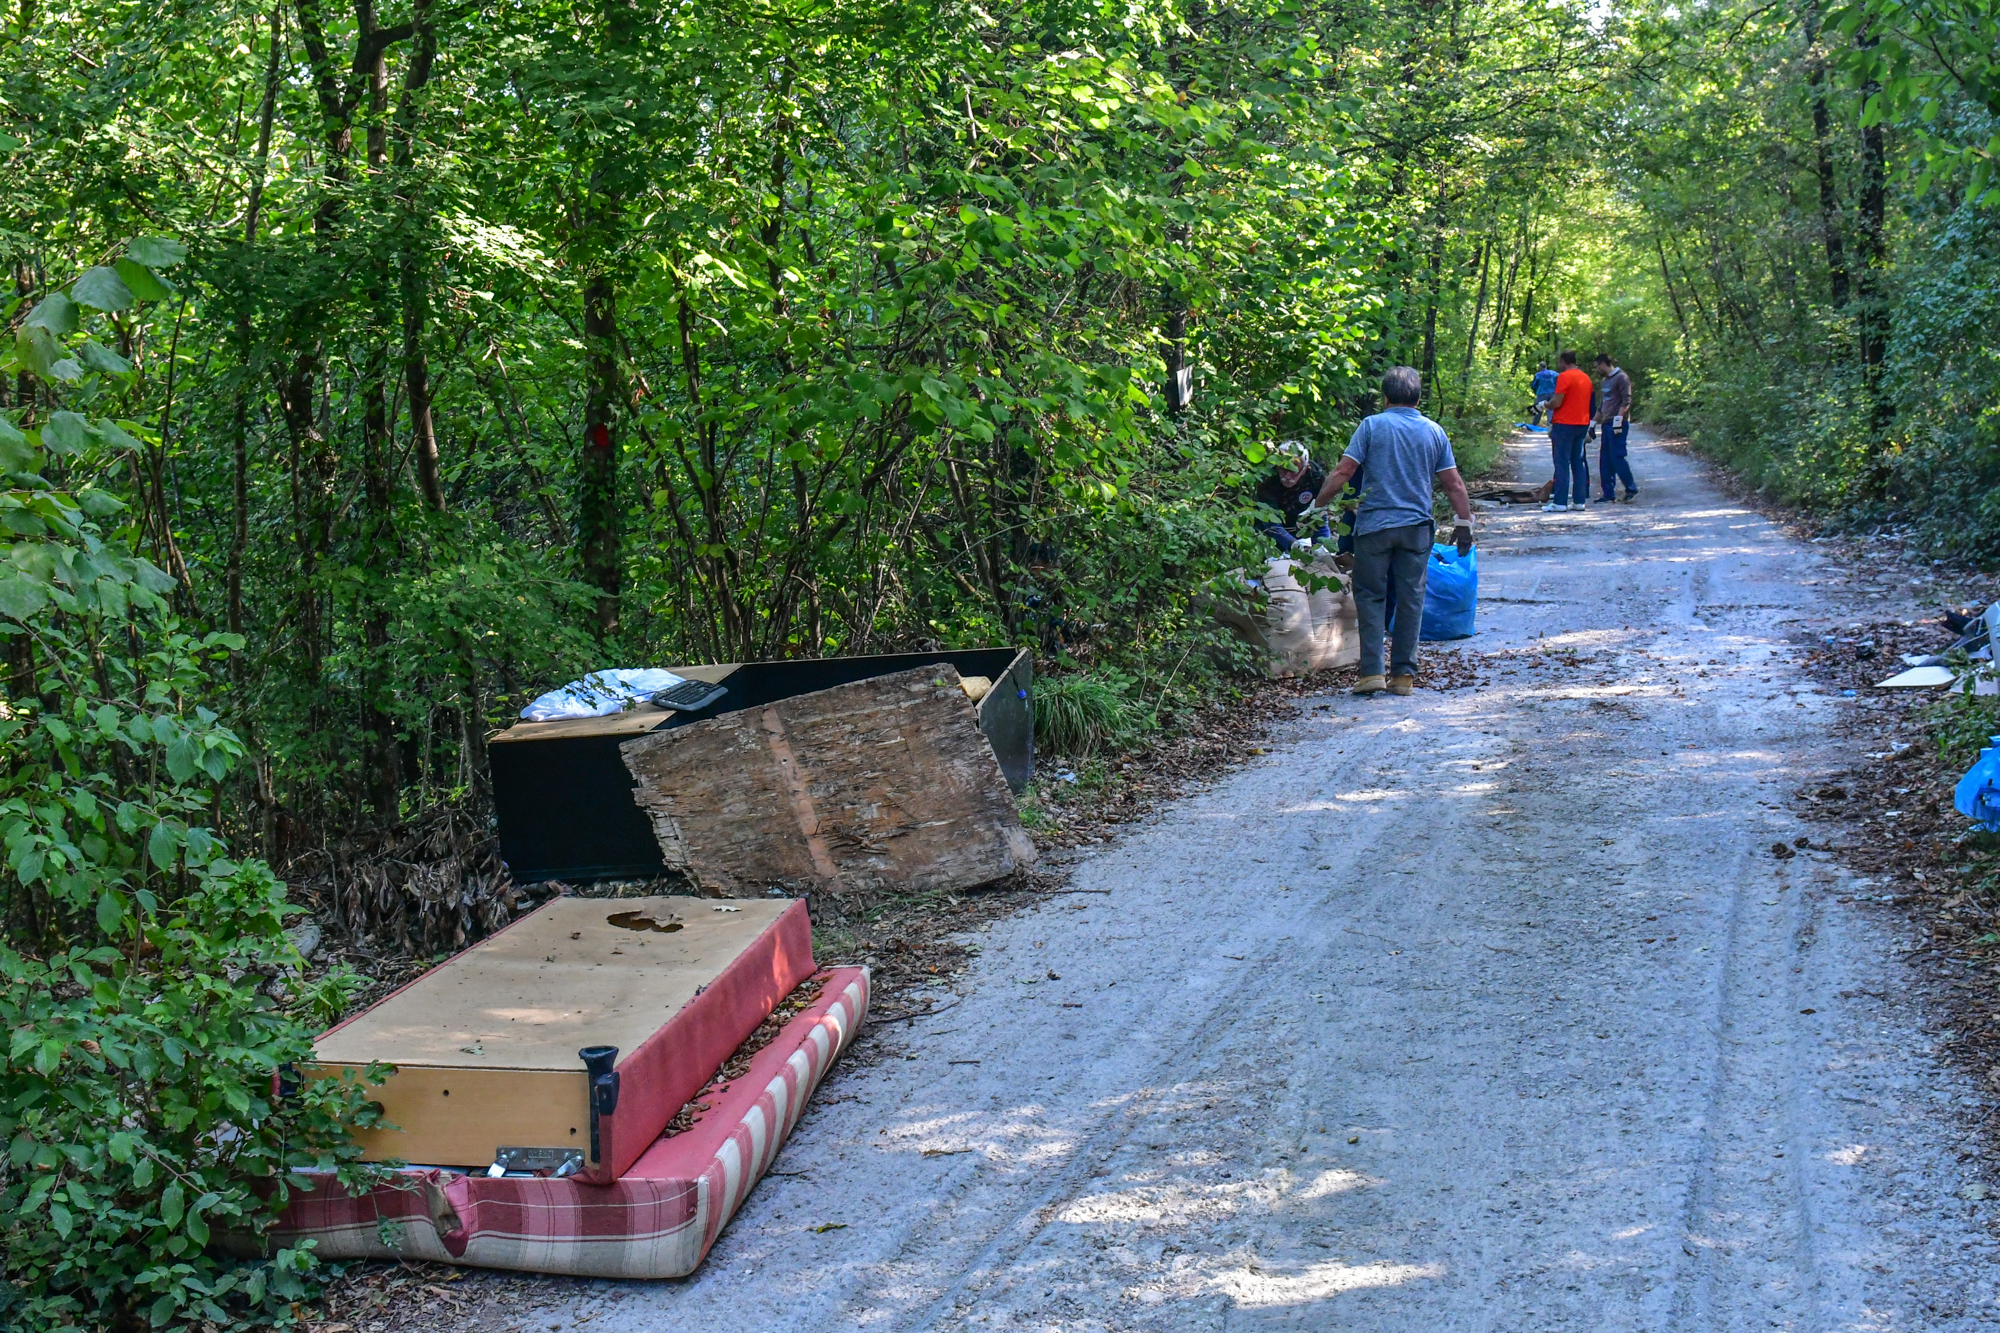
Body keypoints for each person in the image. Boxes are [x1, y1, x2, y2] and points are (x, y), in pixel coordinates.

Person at [1308, 366, 1474, 697]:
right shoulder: (1433, 431)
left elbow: (1344, 470)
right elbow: (1453, 483)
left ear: (1385, 396)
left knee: (1371, 596)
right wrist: (1464, 523)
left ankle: (1371, 672)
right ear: (1417, 396)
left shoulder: (1372, 426)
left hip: (1374, 529)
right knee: (1411, 597)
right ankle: (1403, 677)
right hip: (1416, 529)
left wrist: (1316, 507)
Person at [1252, 440, 1332, 552]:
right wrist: (1293, 544)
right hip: (1270, 531)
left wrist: (1322, 546)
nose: (1288, 476)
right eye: (1283, 470)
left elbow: (1320, 515)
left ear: (1304, 468)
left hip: (1300, 521)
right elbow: (1270, 523)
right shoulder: (1268, 480)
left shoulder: (1315, 476)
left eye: (1293, 471)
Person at [1544, 350, 1593, 512]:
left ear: (1563, 361)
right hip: (1582, 423)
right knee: (1578, 462)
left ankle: (1560, 502)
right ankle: (1579, 501)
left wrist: (1546, 404)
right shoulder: (1586, 378)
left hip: (1564, 423)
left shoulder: (1564, 377)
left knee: (1561, 462)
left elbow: (1557, 402)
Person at [1594, 353, 1637, 503]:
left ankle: (1631, 488)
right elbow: (1602, 404)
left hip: (1617, 424)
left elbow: (1627, 399)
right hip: (1606, 424)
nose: (1596, 370)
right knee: (1605, 459)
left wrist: (1619, 418)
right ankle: (1608, 493)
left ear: (1602, 364)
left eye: (1597, 366)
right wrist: (1593, 423)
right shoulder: (1605, 382)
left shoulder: (1621, 378)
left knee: (1617, 456)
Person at [1529, 362, 1557, 427]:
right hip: (1552, 393)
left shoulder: (1538, 375)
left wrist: (1536, 391)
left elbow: (1534, 385)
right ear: (1546, 366)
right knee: (1551, 408)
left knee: (1538, 407)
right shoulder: (1554, 373)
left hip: (1542, 392)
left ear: (1540, 367)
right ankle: (1550, 423)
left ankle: (1534, 424)